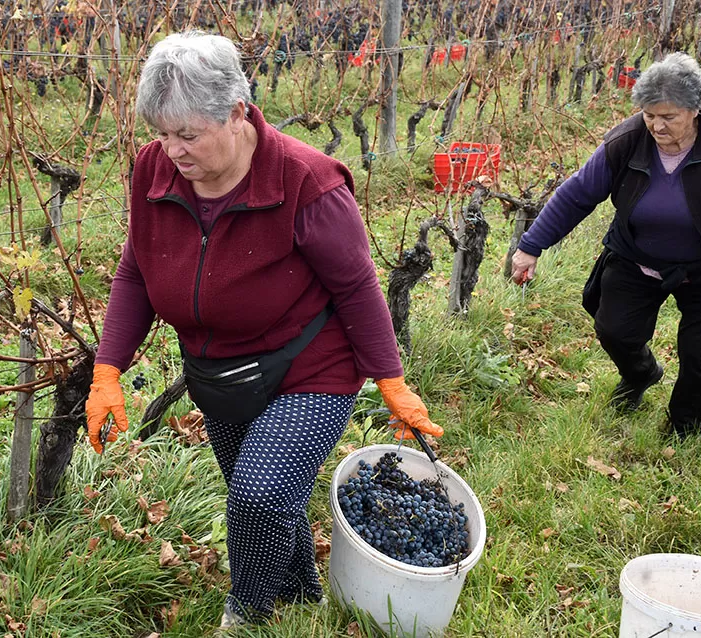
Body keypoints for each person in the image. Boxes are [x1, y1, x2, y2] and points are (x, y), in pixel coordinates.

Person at [84, 32, 442, 628]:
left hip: (310, 368)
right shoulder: (154, 171)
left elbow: (357, 287)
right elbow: (136, 272)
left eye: (189, 134)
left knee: (257, 492)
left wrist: (392, 382)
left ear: (236, 112)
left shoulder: (306, 183)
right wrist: (108, 368)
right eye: (162, 133)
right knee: (272, 500)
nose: (172, 149)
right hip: (220, 371)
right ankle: (302, 594)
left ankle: (246, 610)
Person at [511, 52, 701, 440]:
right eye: (649, 114)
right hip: (636, 257)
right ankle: (641, 373)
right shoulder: (627, 141)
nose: (657, 125)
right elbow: (577, 194)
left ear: (696, 109)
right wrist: (531, 246)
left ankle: (683, 427)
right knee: (614, 330)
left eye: (668, 116)